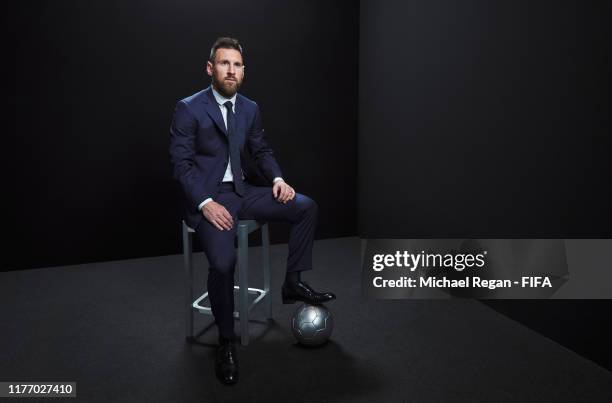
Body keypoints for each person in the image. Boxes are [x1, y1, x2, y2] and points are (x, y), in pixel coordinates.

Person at [169, 37, 336, 385]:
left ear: (244, 70)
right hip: (209, 199)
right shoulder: (188, 108)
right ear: (210, 68)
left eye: (238, 65)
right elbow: (182, 165)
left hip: (244, 191)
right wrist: (205, 203)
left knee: (305, 206)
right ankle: (226, 342)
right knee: (223, 263)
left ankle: (293, 283)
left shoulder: (249, 107)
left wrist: (277, 178)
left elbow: (261, 150)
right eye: (225, 63)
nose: (232, 70)